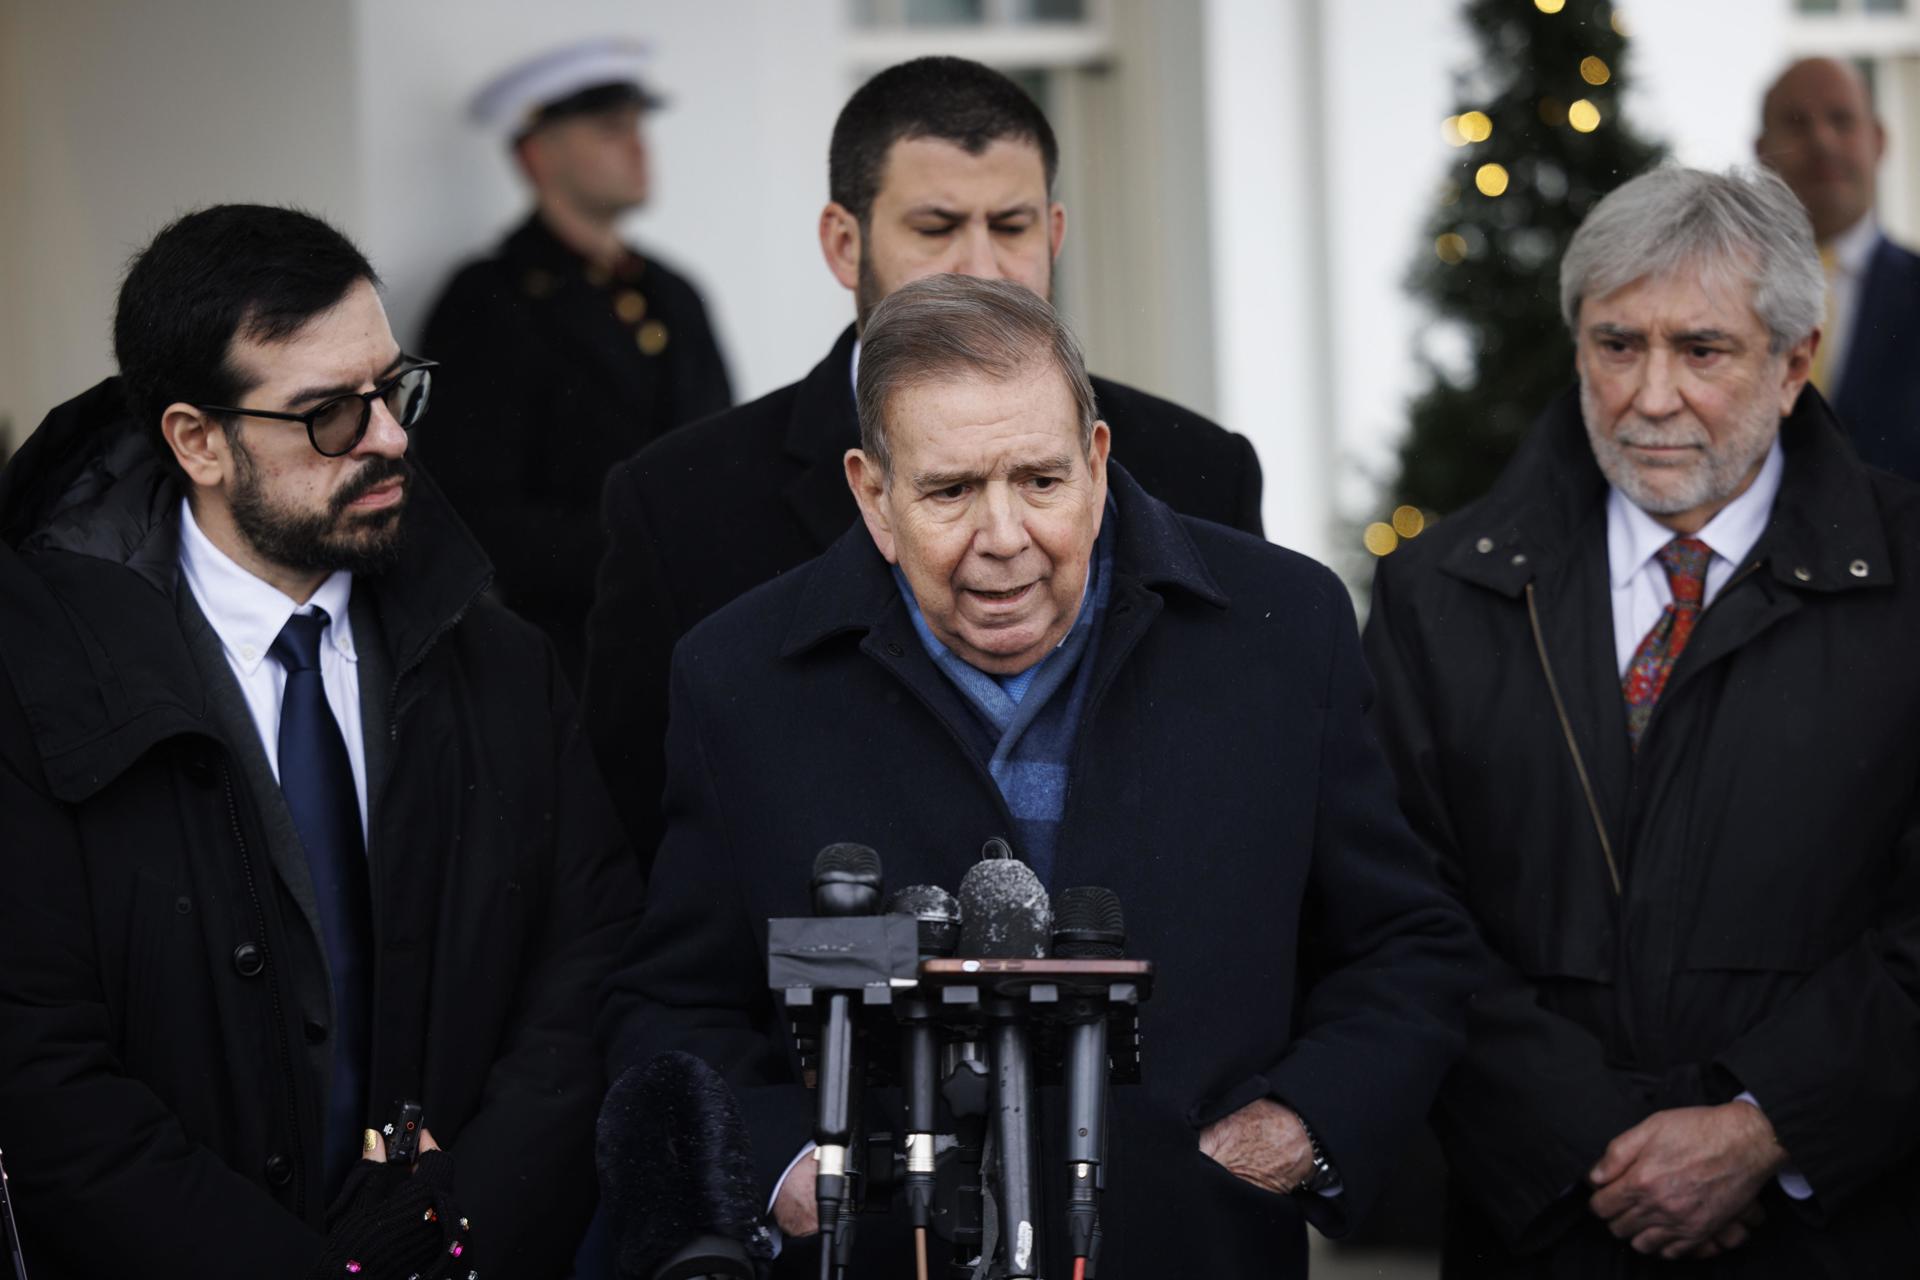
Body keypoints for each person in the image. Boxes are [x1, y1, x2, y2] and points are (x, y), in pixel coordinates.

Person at [600, 274, 1476, 1276]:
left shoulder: (1285, 633)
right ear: (871, 495)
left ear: (1098, 464)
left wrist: (1296, 1130)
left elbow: (1405, 942)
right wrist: (787, 1166)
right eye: (950, 491)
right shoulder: (738, 680)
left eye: (1041, 480)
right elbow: (673, 1003)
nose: (1005, 537)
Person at [0, 205, 641, 1279]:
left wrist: (451, 1231)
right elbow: (42, 1068)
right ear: (197, 440)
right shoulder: (43, 685)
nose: (389, 434)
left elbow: (586, 974)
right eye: (330, 415)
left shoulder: (501, 662)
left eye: (396, 389)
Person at [1365, 165, 1920, 1276]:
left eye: (1702, 350)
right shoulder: (1441, 590)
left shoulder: (1910, 580)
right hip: (1543, 1228)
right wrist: (1591, 1144)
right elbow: (1393, 911)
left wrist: (1763, 1125)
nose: (1651, 394)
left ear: (1794, 360)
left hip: (1841, 1232)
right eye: (1618, 345)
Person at [582, 56, 1265, 869]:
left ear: (1053, 236)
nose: (981, 266)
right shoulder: (679, 504)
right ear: (845, 243)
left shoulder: (1198, 468)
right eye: (937, 228)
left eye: (1010, 228)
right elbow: (631, 845)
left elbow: (1257, 798)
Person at [419, 38, 733, 680]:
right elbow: (471, 507)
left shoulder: (673, 293)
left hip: (697, 636)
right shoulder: (489, 301)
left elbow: (725, 452)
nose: (639, 146)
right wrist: (644, 552)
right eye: (610, 129)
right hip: (568, 652)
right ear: (538, 154)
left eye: (638, 126)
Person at [1757, 56, 1920, 480]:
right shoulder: (1718, 295)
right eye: (1797, 122)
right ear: (1760, 150)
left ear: (1880, 139)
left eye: (1842, 120)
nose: (1822, 140)